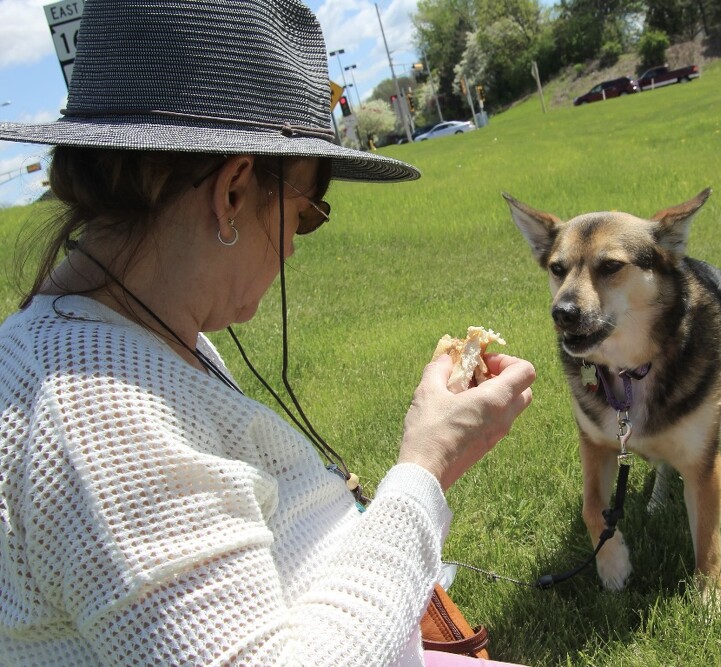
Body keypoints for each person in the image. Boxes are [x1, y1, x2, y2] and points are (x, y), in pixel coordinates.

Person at [0, 1, 535, 665]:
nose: (293, 246)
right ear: (231, 192)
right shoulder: (97, 415)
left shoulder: (138, 335)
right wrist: (427, 463)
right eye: (305, 214)